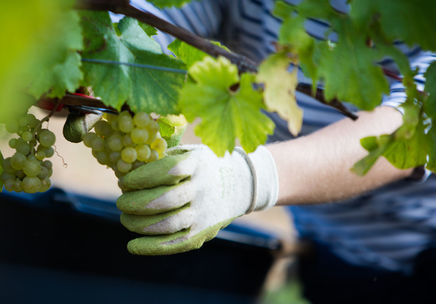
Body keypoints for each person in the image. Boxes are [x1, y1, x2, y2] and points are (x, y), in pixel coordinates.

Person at [116, 1, 436, 303]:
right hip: (335, 253)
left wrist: (250, 178)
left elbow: (410, 130)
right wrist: (96, 62)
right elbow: (148, 18)